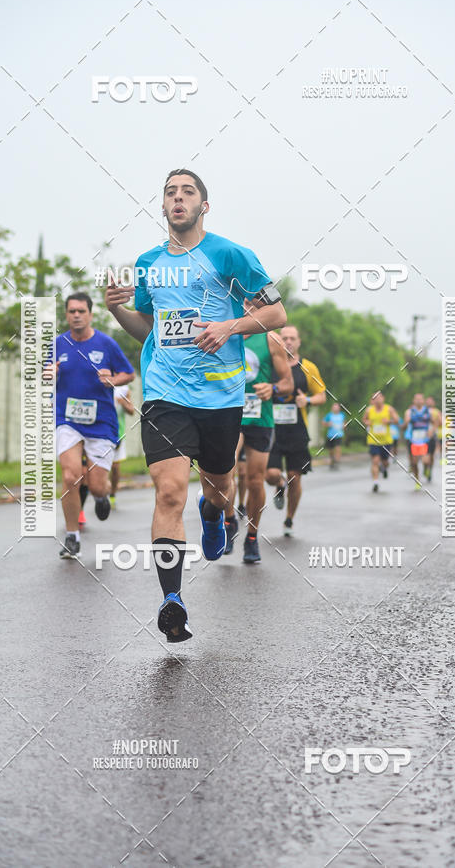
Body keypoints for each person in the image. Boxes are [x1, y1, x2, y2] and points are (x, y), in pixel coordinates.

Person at [105, 168, 286, 642]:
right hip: (165, 392)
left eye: (188, 192)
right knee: (168, 492)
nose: (178, 198)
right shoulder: (148, 263)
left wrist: (228, 327)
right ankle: (172, 601)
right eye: (170, 193)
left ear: (204, 205)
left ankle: (214, 514)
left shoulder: (231, 255)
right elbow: (150, 330)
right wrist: (116, 310)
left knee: (218, 486)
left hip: (221, 395)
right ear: (162, 207)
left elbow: (275, 313)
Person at [46, 292, 135, 559]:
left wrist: (113, 380)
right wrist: (49, 373)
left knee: (97, 484)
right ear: (66, 314)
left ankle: (100, 496)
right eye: (71, 311)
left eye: (81, 311)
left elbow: (128, 373)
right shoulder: (58, 344)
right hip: (67, 418)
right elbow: (46, 370)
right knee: (71, 475)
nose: (76, 315)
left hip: (101, 422)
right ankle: (72, 536)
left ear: (90, 314)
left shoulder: (106, 344)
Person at [223, 311, 293, 563]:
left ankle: (251, 537)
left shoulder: (270, 340)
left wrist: (272, 388)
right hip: (230, 415)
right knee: (227, 469)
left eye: (251, 304)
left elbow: (288, 383)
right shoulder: (224, 334)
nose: (245, 309)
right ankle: (229, 520)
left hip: (260, 418)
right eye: (240, 302)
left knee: (255, 480)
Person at [265, 325, 326, 536]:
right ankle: (279, 484)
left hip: (297, 430)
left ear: (299, 342)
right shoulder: (271, 363)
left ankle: (289, 519)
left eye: (292, 338)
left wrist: (306, 399)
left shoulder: (308, 367)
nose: (288, 341)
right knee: (270, 474)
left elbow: (322, 395)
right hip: (271, 429)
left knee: (295, 476)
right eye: (285, 338)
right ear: (278, 341)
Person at [363, 392, 399, 492]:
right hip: (373, 440)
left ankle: (384, 468)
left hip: (386, 440)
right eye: (375, 398)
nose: (377, 400)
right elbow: (364, 420)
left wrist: (389, 422)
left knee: (385, 462)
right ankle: (375, 482)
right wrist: (367, 422)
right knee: (375, 461)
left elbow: (397, 420)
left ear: (383, 398)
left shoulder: (389, 409)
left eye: (379, 397)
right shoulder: (369, 410)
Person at [110, 383, 136, 506]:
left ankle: (112, 494)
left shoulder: (124, 388)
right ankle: (98, 493)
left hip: (117, 432)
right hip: (100, 431)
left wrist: (122, 402)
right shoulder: (99, 380)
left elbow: (131, 411)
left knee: (115, 467)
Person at [403, 393, 432, 489]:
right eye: (417, 399)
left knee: (426, 460)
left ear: (423, 401)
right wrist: (406, 422)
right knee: (414, 462)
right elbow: (405, 423)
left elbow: (436, 422)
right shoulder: (409, 411)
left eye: (420, 399)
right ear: (413, 401)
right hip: (414, 440)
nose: (419, 401)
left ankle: (426, 469)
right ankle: (417, 479)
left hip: (425, 439)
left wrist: (431, 431)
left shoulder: (428, 411)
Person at [322, 402, 345, 469]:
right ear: (332, 408)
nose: (336, 408)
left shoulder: (342, 415)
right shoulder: (329, 415)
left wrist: (343, 426)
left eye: (337, 407)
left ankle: (337, 461)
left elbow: (344, 423)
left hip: (339, 434)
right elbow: (323, 423)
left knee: (338, 447)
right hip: (331, 435)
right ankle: (332, 460)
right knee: (331, 450)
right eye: (334, 407)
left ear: (339, 408)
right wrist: (328, 424)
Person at [424, 396, 442, 482]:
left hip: (433, 436)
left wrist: (435, 420)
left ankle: (430, 470)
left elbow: (441, 423)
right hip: (423, 436)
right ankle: (425, 467)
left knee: (431, 455)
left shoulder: (437, 412)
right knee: (424, 455)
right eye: (427, 401)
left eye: (430, 401)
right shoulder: (422, 411)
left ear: (433, 403)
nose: (429, 403)